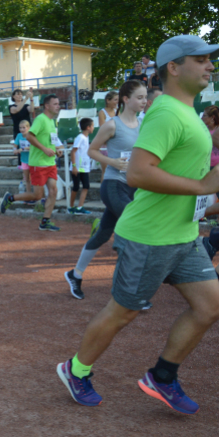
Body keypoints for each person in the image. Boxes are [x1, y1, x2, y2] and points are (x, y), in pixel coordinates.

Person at [57, 35, 219, 414]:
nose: (210, 66)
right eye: (200, 60)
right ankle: (76, 369)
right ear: (173, 67)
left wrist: (211, 177)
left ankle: (163, 376)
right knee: (124, 312)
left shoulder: (187, 113)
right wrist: (203, 184)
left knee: (209, 307)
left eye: (209, 60)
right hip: (150, 235)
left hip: (183, 234)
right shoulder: (167, 113)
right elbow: (137, 173)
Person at [64, 80, 147, 299]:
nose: (144, 101)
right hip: (113, 185)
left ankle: (76, 273)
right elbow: (92, 151)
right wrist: (113, 162)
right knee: (136, 228)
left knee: (103, 233)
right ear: (126, 100)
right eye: (139, 97)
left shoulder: (142, 124)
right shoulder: (112, 125)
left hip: (133, 188)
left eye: (145, 97)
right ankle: (131, 289)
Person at [0, 95, 64, 231]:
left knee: (53, 191)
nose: (58, 106)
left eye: (58, 103)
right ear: (47, 106)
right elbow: (29, 136)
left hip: (50, 162)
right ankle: (11, 198)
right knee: (37, 195)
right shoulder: (41, 119)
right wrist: (45, 149)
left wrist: (56, 149)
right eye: (55, 104)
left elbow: (50, 140)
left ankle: (45, 221)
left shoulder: (52, 121)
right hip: (38, 163)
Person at [68, 118, 94, 215]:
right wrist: (74, 166)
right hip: (77, 168)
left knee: (86, 186)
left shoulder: (86, 138)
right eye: (92, 126)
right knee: (75, 187)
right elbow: (73, 151)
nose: (93, 128)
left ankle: (80, 207)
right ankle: (71, 207)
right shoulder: (80, 137)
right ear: (88, 127)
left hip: (84, 167)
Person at [14, 120, 32, 195]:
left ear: (28, 128)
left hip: (32, 160)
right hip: (24, 160)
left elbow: (33, 146)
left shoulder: (31, 135)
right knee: (27, 179)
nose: (22, 129)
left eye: (24, 127)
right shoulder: (19, 135)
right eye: (20, 128)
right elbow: (15, 145)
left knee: (34, 179)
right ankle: (28, 194)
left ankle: (39, 195)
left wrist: (23, 149)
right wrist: (15, 150)